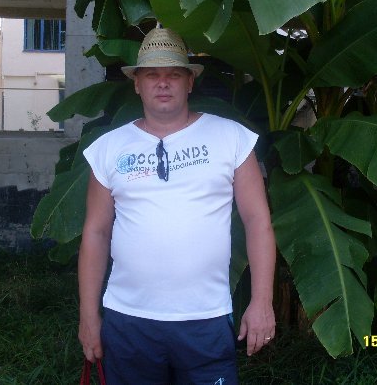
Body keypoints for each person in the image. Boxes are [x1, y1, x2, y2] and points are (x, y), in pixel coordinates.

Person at [78, 27, 276, 384]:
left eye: (173, 74)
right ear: (137, 84)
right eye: (152, 75)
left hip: (206, 319)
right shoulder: (108, 148)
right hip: (129, 319)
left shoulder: (231, 138)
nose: (163, 83)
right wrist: (88, 315)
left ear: (189, 82)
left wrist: (262, 302)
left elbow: (257, 221)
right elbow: (96, 233)